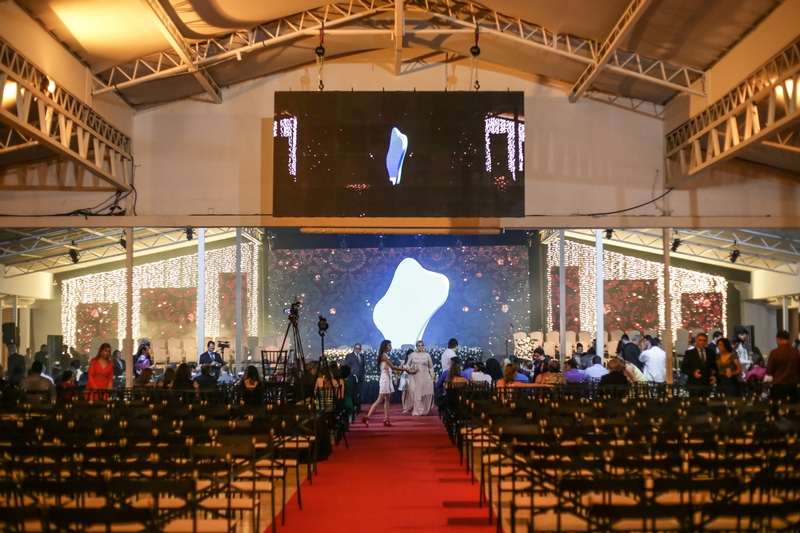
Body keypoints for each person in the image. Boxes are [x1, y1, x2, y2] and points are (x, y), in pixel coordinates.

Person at [363, 340, 403, 427]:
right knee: (380, 399)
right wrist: (405, 370)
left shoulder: (385, 355)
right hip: (385, 379)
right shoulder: (383, 355)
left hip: (388, 379)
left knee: (387, 399)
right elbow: (392, 367)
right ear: (385, 346)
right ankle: (367, 417)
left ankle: (386, 419)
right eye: (389, 345)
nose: (391, 347)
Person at [766, 330, 800, 403]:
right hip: (793, 386)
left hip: (778, 386)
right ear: (788, 339)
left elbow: (769, 371)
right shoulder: (796, 352)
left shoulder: (774, 352)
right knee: (793, 408)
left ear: (777, 339)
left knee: (778, 407)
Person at [406, 341, 435, 416]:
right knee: (412, 390)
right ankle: (415, 408)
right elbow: (407, 365)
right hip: (414, 376)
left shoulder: (427, 355)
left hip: (425, 376)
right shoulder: (413, 354)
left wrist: (432, 377)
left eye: (422, 345)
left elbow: (431, 367)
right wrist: (410, 370)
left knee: (422, 393)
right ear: (416, 347)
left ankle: (422, 410)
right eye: (419, 345)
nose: (420, 347)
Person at [343, 343, 366, 413]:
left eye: (359, 348)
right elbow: (347, 365)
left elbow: (363, 367)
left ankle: (359, 407)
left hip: (360, 377)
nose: (357, 350)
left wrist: (363, 375)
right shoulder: (349, 356)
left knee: (359, 392)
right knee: (353, 392)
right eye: (356, 348)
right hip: (353, 377)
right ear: (354, 348)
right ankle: (354, 406)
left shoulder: (362, 356)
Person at [399, 349, 413, 415]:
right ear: (407, 355)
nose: (410, 356)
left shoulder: (414, 362)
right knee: (404, 393)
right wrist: (401, 365)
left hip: (411, 377)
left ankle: (410, 406)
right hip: (404, 377)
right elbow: (399, 370)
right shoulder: (404, 361)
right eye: (409, 354)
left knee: (411, 393)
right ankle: (404, 407)